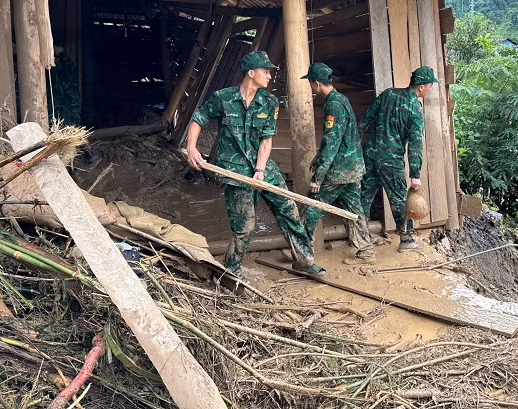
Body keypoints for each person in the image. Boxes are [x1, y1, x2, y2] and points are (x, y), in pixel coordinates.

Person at [186, 51, 325, 277]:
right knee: (245, 227)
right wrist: (192, 147)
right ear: (251, 73)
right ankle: (231, 271)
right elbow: (198, 119)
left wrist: (260, 170)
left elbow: (266, 140)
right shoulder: (223, 98)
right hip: (234, 169)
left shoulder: (269, 102)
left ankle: (303, 261)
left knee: (288, 209)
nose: (270, 76)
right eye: (265, 71)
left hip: (263, 167)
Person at [298, 62, 375, 264]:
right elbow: (339, 137)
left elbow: (332, 143)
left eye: (310, 83)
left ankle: (302, 253)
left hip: (339, 170)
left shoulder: (333, 104)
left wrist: (318, 177)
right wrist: (319, 155)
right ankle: (366, 251)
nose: (310, 87)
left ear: (315, 83)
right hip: (354, 166)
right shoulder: (341, 99)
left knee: (311, 207)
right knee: (354, 210)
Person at [359, 66, 436, 251]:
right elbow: (415, 144)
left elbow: (366, 118)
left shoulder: (388, 94)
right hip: (391, 161)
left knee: (364, 196)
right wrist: (415, 174)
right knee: (400, 200)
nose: (431, 88)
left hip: (369, 154)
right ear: (421, 87)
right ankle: (406, 240)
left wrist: (355, 144)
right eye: (430, 85)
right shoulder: (415, 108)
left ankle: (360, 238)